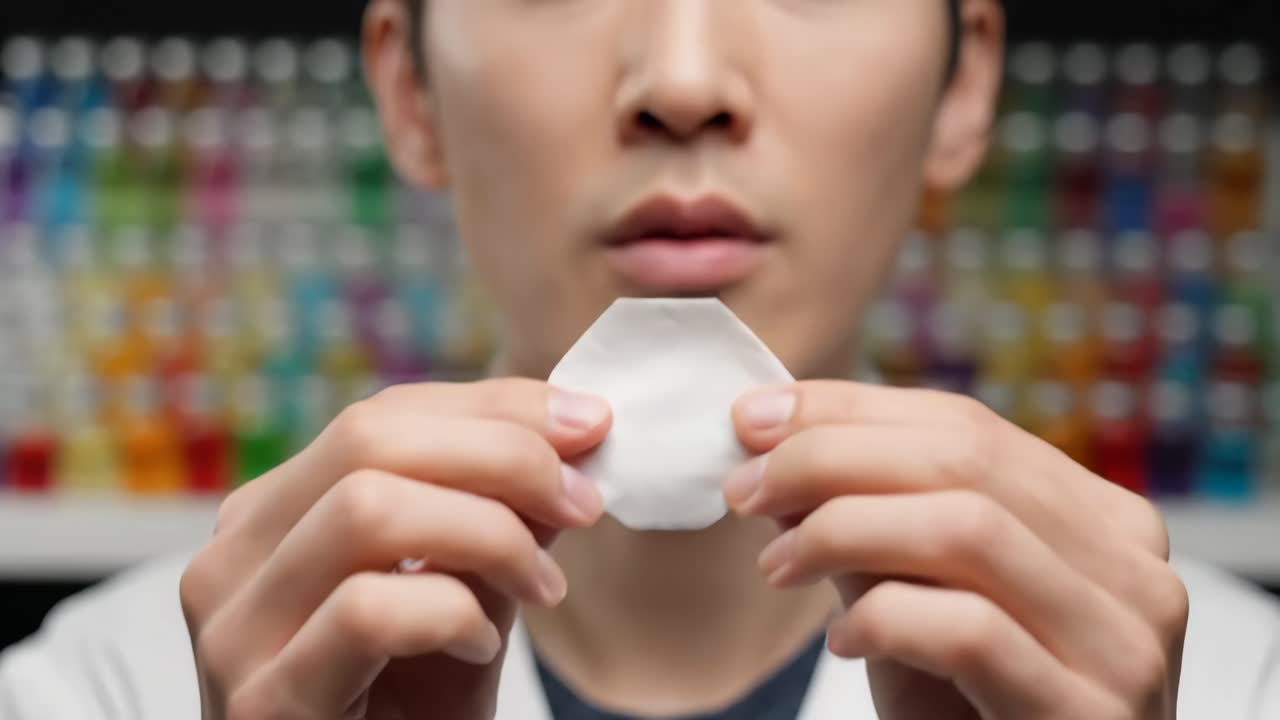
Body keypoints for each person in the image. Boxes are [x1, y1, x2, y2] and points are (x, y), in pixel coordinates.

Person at [2, 0, 1279, 717]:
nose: (680, 80)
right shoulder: (98, 694)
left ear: (960, 87)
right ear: (405, 88)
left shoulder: (1237, 688)